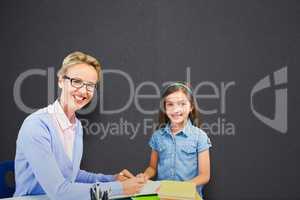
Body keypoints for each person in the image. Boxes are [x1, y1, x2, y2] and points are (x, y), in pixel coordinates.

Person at [14, 51, 145, 200]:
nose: (83, 91)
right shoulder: (36, 126)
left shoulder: (76, 126)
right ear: (61, 81)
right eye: (76, 81)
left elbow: (72, 175)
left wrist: (112, 179)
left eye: (90, 85)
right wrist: (120, 188)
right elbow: (59, 191)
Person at [138, 82, 212, 198]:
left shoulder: (200, 137)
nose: (176, 109)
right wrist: (145, 175)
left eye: (182, 104)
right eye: (170, 104)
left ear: (191, 107)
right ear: (164, 108)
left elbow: (204, 175)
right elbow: (152, 167)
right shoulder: (158, 136)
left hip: (189, 196)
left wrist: (179, 189)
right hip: (163, 196)